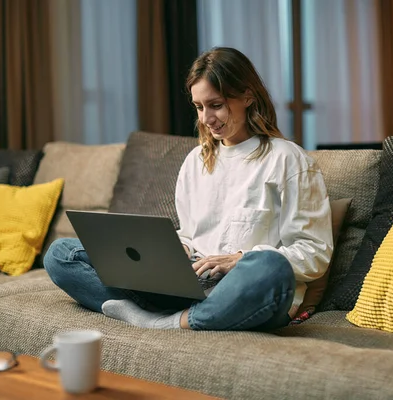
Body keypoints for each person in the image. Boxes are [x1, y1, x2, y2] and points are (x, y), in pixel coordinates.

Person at [44, 47, 333, 331]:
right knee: (60, 254)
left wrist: (240, 259)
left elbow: (314, 252)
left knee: (271, 267)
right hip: (190, 282)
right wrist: (177, 248)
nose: (206, 119)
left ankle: (167, 319)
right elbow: (191, 233)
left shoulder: (287, 159)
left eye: (216, 105)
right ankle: (180, 315)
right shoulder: (196, 161)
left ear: (247, 96)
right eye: (199, 107)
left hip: (243, 285)